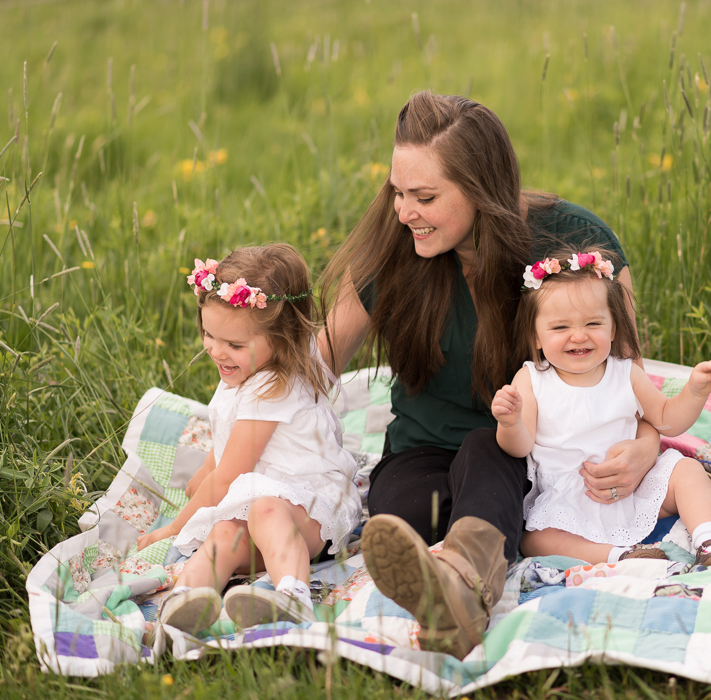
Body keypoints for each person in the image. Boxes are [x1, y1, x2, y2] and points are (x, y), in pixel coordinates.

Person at [317, 91, 662, 659]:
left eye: (425, 196)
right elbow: (316, 363)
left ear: (481, 190)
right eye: (397, 192)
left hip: (526, 452)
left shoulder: (572, 243)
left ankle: (459, 579)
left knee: (486, 453)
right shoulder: (397, 243)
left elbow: (631, 381)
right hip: (422, 447)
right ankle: (452, 585)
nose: (404, 212)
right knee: (398, 512)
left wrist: (646, 449)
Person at [137, 244, 361, 634]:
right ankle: (186, 602)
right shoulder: (245, 370)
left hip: (308, 510)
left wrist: (174, 529)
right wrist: (206, 469)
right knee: (224, 532)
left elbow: (227, 477)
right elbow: (229, 443)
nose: (215, 350)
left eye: (234, 345)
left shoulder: (274, 386)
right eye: (208, 334)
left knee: (265, 512)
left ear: (282, 338)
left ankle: (292, 594)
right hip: (258, 499)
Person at [492, 249, 711, 567]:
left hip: (635, 489)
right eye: (560, 328)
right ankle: (621, 556)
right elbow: (520, 446)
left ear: (613, 329)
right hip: (568, 501)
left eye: (593, 323)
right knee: (534, 539)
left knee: (687, 471)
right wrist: (510, 423)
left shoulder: (625, 374)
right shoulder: (531, 379)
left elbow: (667, 420)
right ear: (535, 336)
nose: (578, 335)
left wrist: (696, 390)